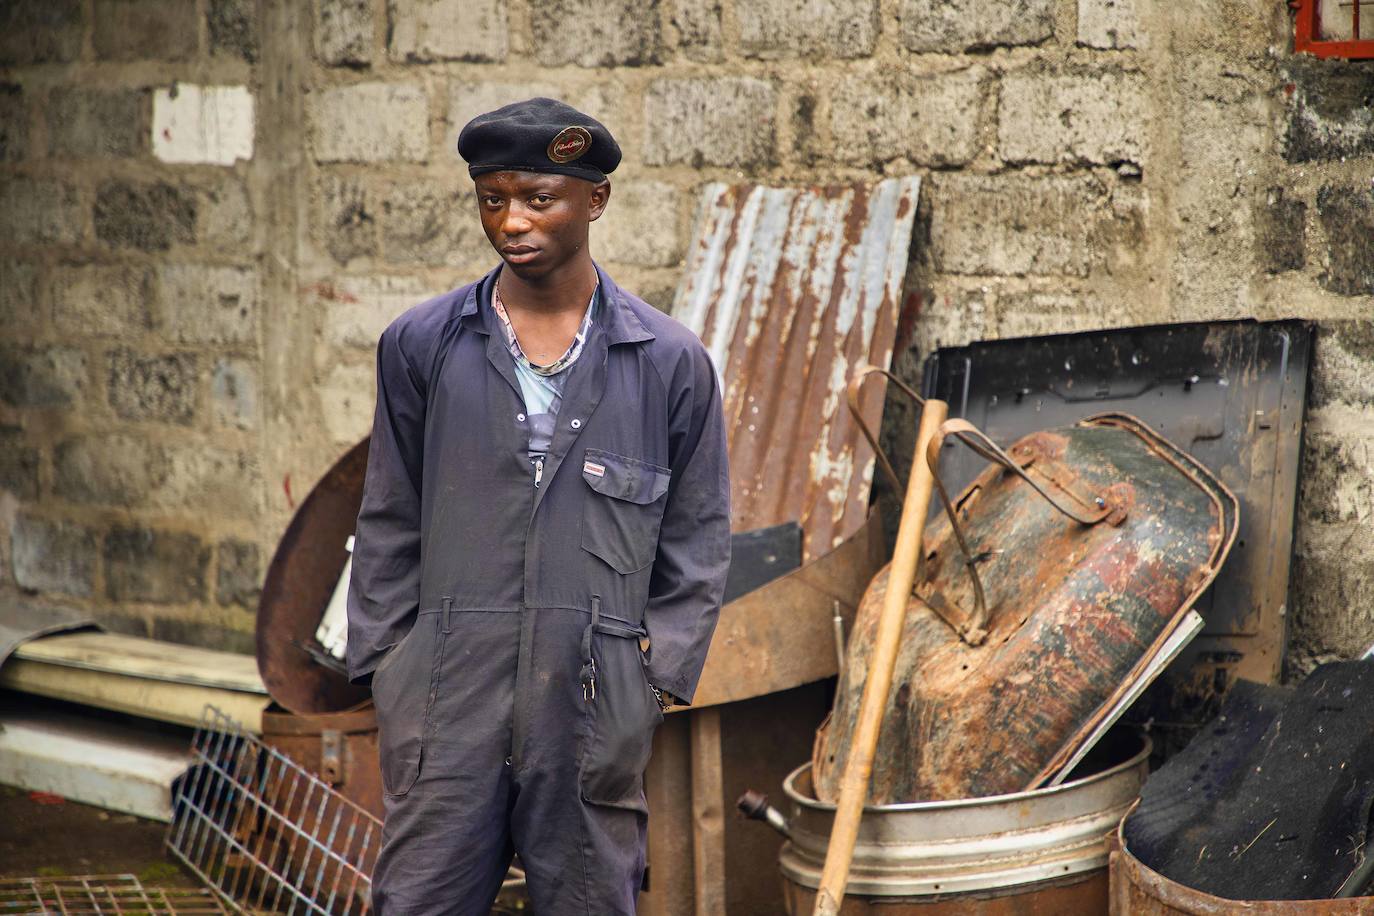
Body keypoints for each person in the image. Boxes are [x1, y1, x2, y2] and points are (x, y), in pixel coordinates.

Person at [345, 97, 732, 915]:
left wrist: (648, 682)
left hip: (591, 705)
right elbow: (387, 516)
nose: (512, 221)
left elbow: (697, 540)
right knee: (419, 900)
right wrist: (393, 668)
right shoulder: (422, 345)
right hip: (448, 696)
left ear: (595, 200)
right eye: (493, 199)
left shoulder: (666, 362)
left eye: (538, 198)